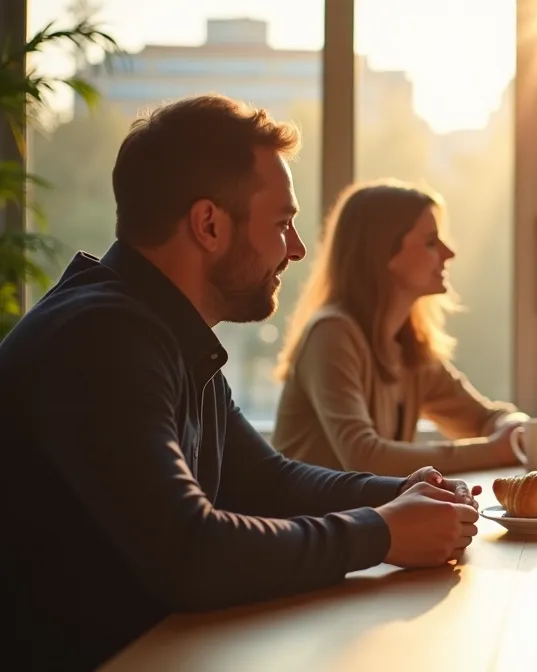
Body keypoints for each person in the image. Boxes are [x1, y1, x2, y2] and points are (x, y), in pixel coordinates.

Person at [0, 95, 479, 669]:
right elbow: (189, 553)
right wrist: (381, 532)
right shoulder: (101, 337)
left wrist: (401, 492)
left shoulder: (166, 331)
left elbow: (263, 481)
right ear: (208, 225)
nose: (298, 249)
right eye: (282, 224)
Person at [272, 180, 526, 476]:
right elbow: (365, 458)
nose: (449, 253)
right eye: (431, 242)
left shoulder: (408, 346)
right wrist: (495, 450)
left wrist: (515, 426)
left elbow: (484, 418)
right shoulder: (332, 334)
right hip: (306, 521)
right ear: (384, 253)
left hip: (361, 519)